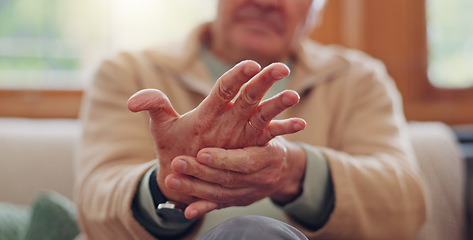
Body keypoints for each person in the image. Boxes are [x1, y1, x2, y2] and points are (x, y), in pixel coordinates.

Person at [75, 0, 427, 239]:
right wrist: (169, 184)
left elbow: (406, 204)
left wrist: (295, 171)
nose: (267, 1)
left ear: (316, 9)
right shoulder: (128, 72)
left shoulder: (358, 79)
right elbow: (94, 202)